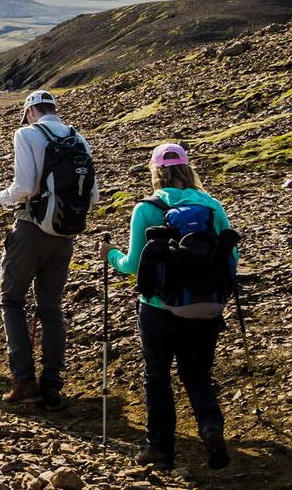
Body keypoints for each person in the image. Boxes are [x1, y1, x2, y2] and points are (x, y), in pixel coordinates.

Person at [102, 143, 235, 471]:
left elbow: (133, 264)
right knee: (198, 374)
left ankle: (159, 447)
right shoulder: (212, 206)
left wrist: (110, 254)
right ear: (188, 168)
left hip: (158, 309)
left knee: (157, 374)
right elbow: (230, 257)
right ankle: (210, 427)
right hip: (205, 307)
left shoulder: (146, 208)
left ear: (155, 170)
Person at [0, 89, 99, 410]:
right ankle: (52, 386)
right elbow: (94, 195)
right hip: (65, 233)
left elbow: (25, 187)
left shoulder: (27, 134)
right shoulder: (79, 139)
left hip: (31, 229)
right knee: (50, 309)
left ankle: (24, 382)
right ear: (54, 109)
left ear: (31, 112)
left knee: (11, 300)